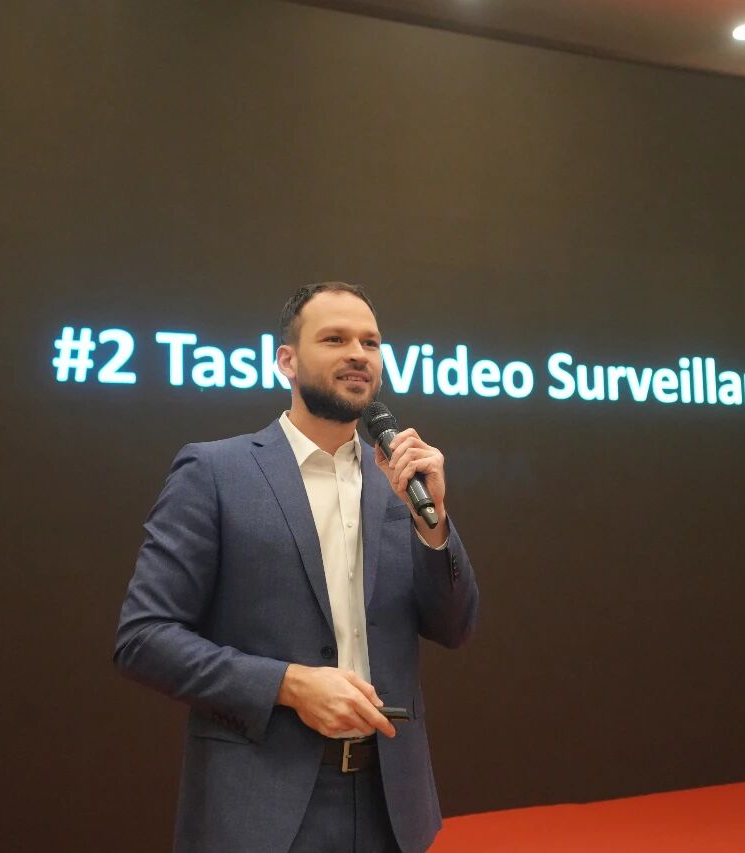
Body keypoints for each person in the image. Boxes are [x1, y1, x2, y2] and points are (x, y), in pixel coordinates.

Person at [114, 282, 479, 853]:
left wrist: (432, 524)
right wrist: (288, 685)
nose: (358, 354)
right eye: (334, 339)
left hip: (391, 806)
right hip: (261, 807)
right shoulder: (215, 472)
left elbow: (454, 627)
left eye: (370, 342)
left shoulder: (399, 481)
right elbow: (143, 637)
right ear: (286, 360)